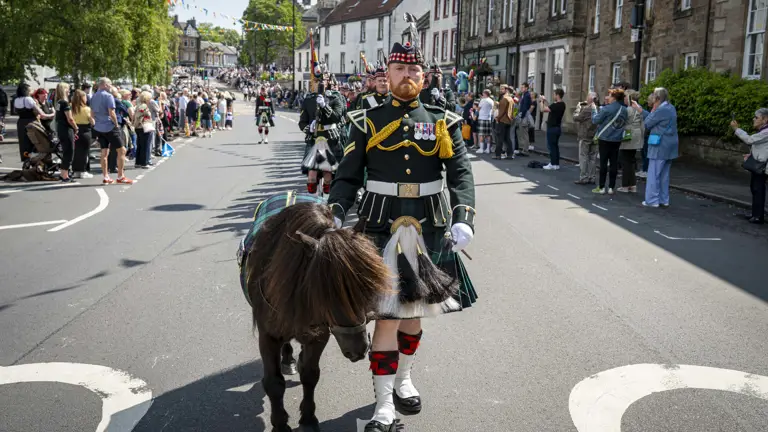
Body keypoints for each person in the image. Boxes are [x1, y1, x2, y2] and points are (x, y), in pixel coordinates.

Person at [329, 41, 477, 432]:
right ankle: (382, 405)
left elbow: (460, 173)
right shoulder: (366, 120)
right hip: (381, 224)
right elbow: (347, 175)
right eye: (399, 70)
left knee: (416, 314)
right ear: (387, 75)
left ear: (423, 76)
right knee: (388, 318)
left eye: (413, 71)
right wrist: (336, 211)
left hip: (427, 226)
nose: (407, 76)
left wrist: (464, 217)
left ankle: (404, 378)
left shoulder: (443, 120)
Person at [629, 87, 678, 208]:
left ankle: (652, 200)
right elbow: (654, 118)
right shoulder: (670, 108)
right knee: (664, 174)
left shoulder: (660, 110)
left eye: (654, 95)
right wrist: (640, 110)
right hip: (670, 144)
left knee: (654, 173)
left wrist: (648, 110)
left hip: (660, 145)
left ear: (657, 98)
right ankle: (663, 199)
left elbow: (648, 123)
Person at [299, 71, 345, 196]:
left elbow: (337, 117)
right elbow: (302, 123)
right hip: (314, 139)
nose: (320, 83)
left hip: (330, 139)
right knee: (311, 176)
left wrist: (324, 106)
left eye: (323, 80)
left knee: (328, 175)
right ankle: (314, 200)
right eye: (317, 80)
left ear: (328, 82)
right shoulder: (308, 100)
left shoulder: (336, 97)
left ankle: (326, 202)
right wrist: (310, 128)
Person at [90, 77, 133, 184]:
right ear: (104, 85)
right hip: (109, 126)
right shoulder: (108, 96)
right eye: (109, 84)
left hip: (99, 126)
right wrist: (116, 124)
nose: (110, 86)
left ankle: (106, 176)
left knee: (104, 152)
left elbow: (91, 114)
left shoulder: (94, 96)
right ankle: (120, 176)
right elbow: (112, 113)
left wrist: (95, 124)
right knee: (122, 150)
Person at [732, 108, 768, 224]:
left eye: (756, 117)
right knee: (755, 188)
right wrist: (751, 154)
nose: (754, 119)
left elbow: (750, 140)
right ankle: (756, 214)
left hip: (762, 165)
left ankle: (758, 216)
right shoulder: (763, 131)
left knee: (758, 189)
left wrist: (736, 129)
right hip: (759, 163)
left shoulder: (766, 132)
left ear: (765, 119)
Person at [591, 88, 628, 195]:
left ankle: (602, 187)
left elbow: (595, 120)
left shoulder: (606, 109)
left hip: (605, 138)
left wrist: (594, 110)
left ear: (614, 97)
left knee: (603, 163)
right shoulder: (624, 110)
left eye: (610, 96)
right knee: (614, 163)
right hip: (617, 139)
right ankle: (611, 187)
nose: (608, 97)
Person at [14, 83, 54, 161]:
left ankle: (26, 158)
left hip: (21, 122)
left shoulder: (16, 100)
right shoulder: (29, 99)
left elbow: (16, 111)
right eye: (30, 89)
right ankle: (37, 159)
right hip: (31, 123)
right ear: (26, 90)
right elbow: (41, 113)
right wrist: (52, 115)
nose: (32, 90)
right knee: (36, 142)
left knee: (24, 143)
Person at [617, 90, 644, 193]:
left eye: (625, 97)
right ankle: (632, 185)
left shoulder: (627, 110)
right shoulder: (639, 109)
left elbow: (620, 123)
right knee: (631, 161)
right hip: (637, 135)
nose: (624, 99)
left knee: (626, 161)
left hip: (628, 135)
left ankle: (625, 186)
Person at [54, 83, 78, 182]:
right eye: (68, 89)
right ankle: (64, 175)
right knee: (69, 151)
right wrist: (76, 128)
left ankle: (64, 173)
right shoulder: (65, 103)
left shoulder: (58, 102)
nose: (69, 91)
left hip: (61, 128)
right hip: (67, 129)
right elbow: (70, 118)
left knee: (66, 151)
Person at [573, 93, 599, 185]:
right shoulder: (598, 108)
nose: (586, 98)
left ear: (590, 99)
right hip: (595, 136)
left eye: (587, 97)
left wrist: (578, 108)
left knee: (583, 157)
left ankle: (583, 177)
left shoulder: (586, 109)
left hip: (585, 136)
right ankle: (592, 177)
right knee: (592, 158)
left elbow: (576, 118)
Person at [540, 88, 566, 170]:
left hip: (552, 128)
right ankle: (556, 164)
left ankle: (552, 163)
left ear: (557, 95)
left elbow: (543, 109)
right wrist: (545, 101)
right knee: (555, 147)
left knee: (551, 146)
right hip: (557, 128)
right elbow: (550, 107)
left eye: (554, 94)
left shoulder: (556, 105)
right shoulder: (562, 104)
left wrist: (541, 101)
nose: (553, 96)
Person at [71, 90, 94, 179]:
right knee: (85, 152)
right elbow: (92, 122)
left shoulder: (71, 108)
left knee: (76, 152)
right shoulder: (87, 109)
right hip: (85, 131)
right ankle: (83, 171)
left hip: (74, 131)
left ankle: (76, 171)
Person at [493, 85, 514, 160]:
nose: (501, 90)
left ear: (506, 90)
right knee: (507, 138)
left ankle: (498, 155)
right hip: (508, 120)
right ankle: (510, 154)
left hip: (502, 120)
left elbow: (502, 111)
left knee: (500, 138)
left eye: (502, 89)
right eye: (500, 89)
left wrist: (497, 118)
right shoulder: (511, 99)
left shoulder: (504, 99)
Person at [516, 82, 533, 156]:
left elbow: (525, 107)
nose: (521, 89)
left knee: (525, 134)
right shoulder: (524, 95)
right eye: (521, 87)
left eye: (523, 87)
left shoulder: (527, 95)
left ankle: (525, 150)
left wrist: (521, 115)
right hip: (523, 116)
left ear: (526, 88)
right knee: (522, 134)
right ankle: (523, 149)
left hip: (524, 117)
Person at [476, 89, 494, 153]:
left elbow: (478, 109)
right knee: (488, 135)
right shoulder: (491, 101)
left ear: (485, 94)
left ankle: (481, 149)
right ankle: (488, 149)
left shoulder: (483, 100)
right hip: (488, 118)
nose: (482, 94)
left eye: (483, 93)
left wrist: (475, 110)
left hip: (482, 118)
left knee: (481, 134)